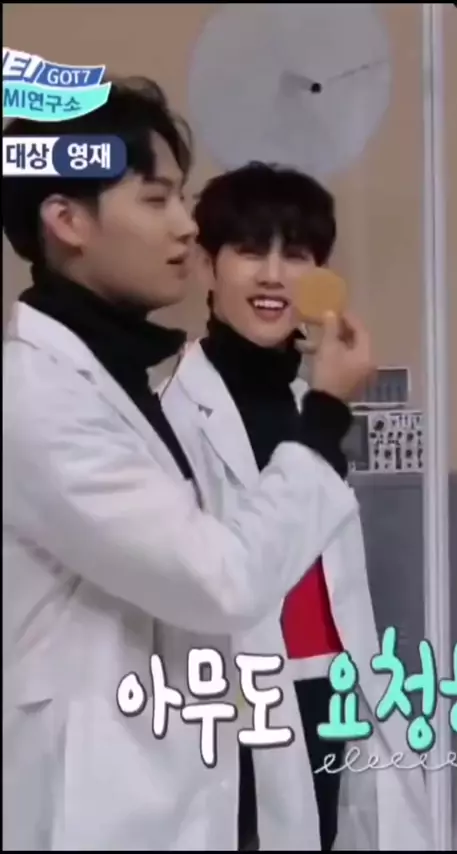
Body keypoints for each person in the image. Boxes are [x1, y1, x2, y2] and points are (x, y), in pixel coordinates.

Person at [2, 80, 375, 851]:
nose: (184, 225)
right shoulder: (36, 398)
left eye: (182, 199)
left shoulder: (123, 380)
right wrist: (326, 417)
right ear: (67, 220)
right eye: (156, 199)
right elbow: (222, 580)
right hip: (97, 799)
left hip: (204, 753)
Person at [161, 163, 433, 850]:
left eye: (298, 255)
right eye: (252, 251)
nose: (274, 276)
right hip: (234, 695)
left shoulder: (316, 401)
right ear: (207, 266)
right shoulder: (173, 412)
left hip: (332, 685)